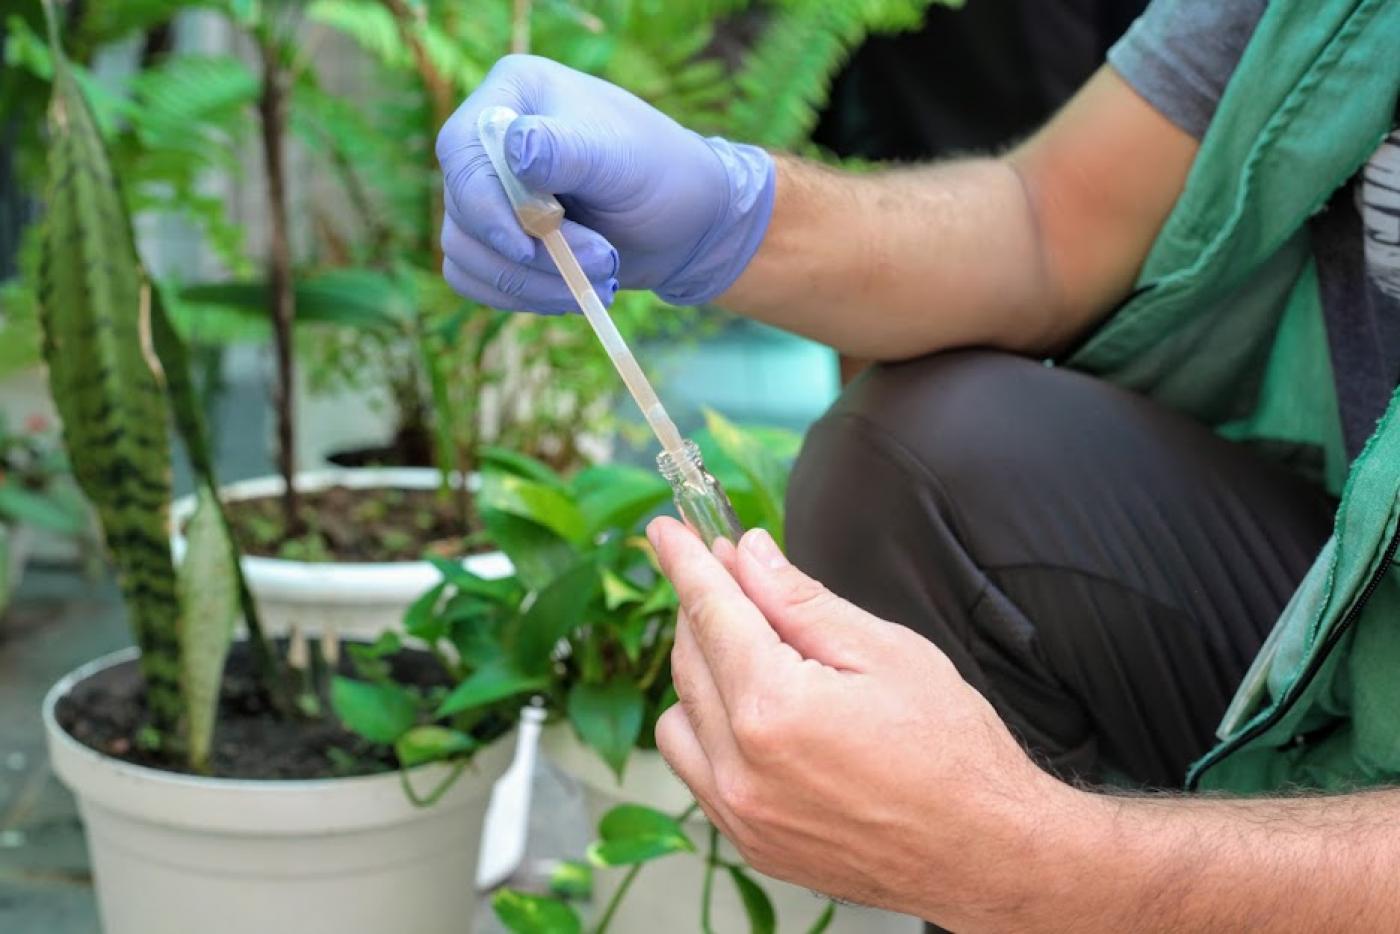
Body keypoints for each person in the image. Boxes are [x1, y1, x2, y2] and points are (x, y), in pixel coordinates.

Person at [434, 0, 1400, 927]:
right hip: (1350, 601)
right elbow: (1050, 221)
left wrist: (1035, 861)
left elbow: (1039, 866)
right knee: (917, 458)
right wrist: (732, 214)